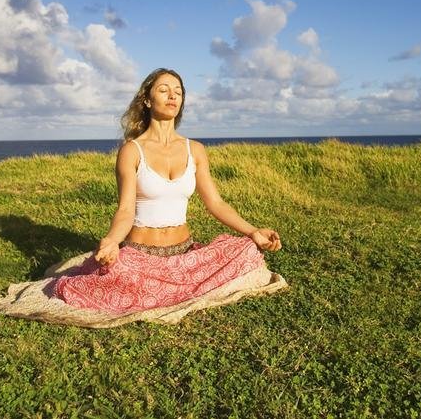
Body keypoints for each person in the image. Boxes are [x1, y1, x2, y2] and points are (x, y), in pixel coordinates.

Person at [52, 68, 282, 315]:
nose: (172, 96)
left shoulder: (195, 149)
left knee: (246, 249)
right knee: (99, 280)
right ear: (148, 100)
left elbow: (216, 203)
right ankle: (168, 288)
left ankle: (173, 286)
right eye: (164, 90)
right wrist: (112, 241)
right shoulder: (132, 151)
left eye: (178, 92)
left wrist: (253, 231)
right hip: (140, 256)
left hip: (183, 254)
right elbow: (126, 209)